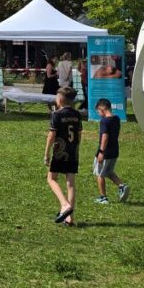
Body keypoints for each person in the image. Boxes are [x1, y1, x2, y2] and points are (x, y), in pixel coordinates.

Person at [45, 86, 81, 226]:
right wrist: (76, 147)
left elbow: (51, 135)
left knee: (51, 179)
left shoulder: (57, 114)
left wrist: (47, 153)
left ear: (59, 99)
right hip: (73, 151)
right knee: (70, 183)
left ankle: (64, 205)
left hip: (60, 151)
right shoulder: (77, 114)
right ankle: (70, 218)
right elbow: (78, 133)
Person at [93, 98, 129, 204]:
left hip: (106, 152)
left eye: (98, 111)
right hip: (114, 150)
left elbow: (105, 137)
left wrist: (101, 152)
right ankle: (122, 186)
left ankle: (103, 197)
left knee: (99, 174)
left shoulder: (104, 121)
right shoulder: (116, 118)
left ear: (102, 108)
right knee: (109, 172)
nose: (99, 114)